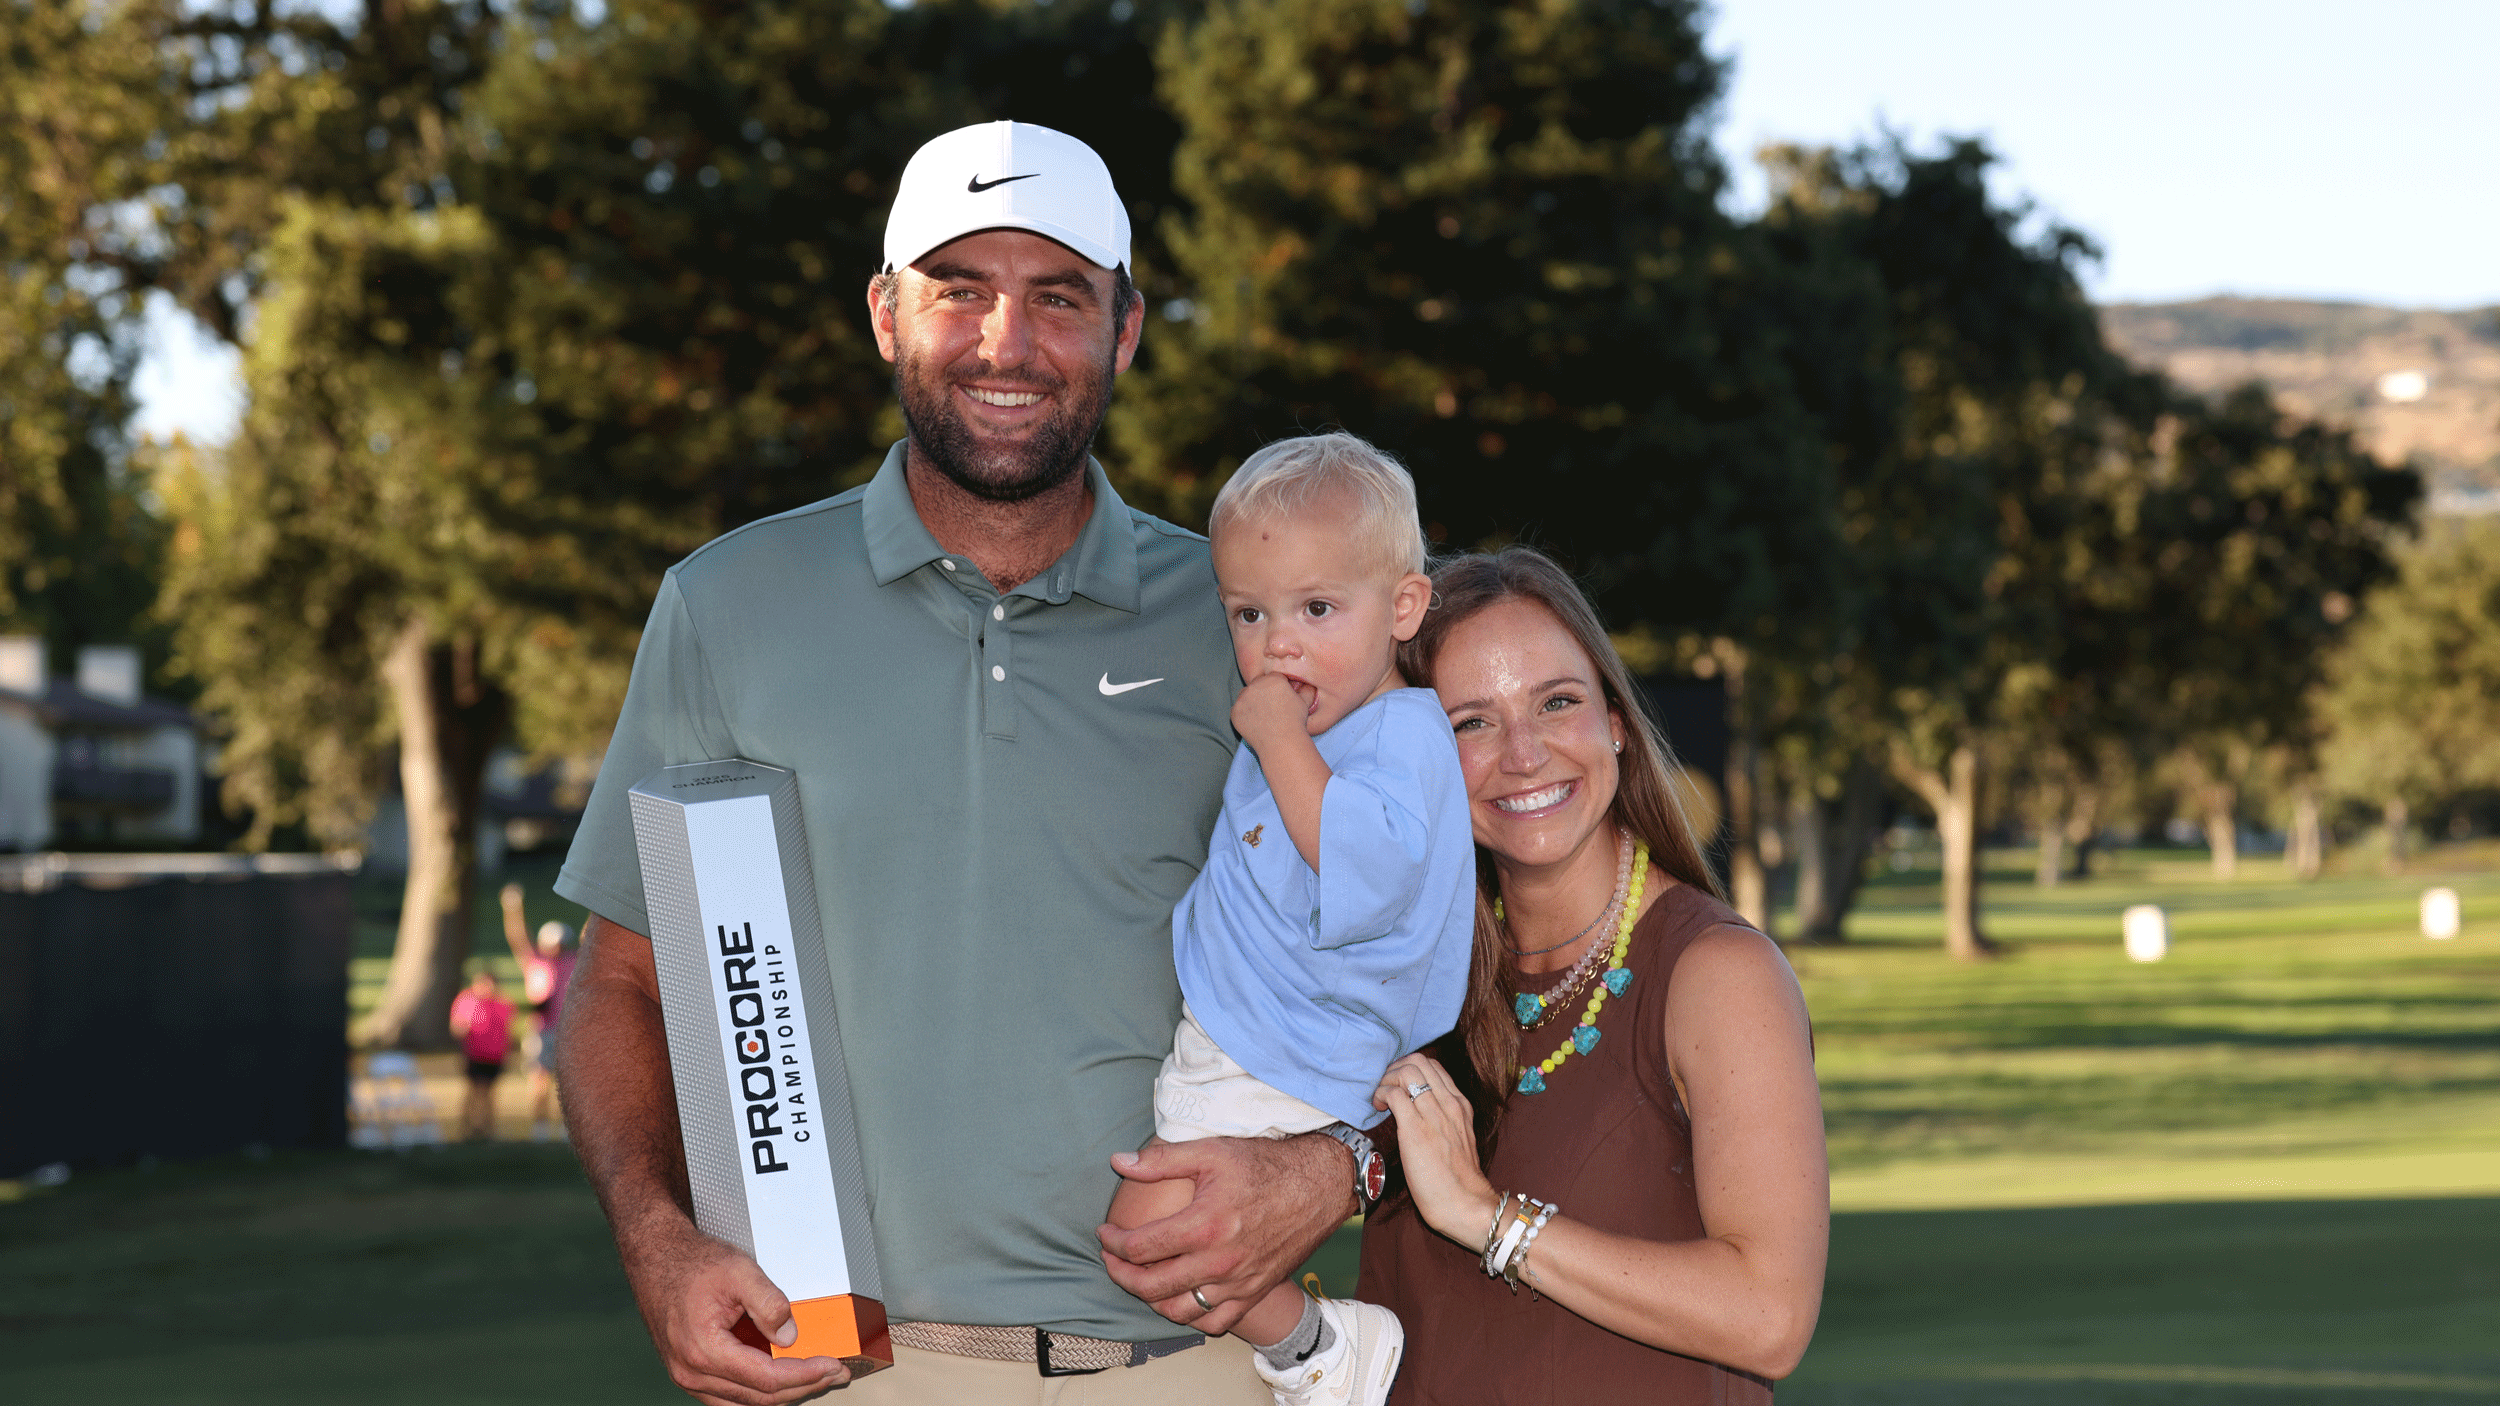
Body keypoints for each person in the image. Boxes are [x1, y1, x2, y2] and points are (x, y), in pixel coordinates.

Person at [552, 121, 1362, 1406]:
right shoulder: (729, 603)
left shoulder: (1247, 617)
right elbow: (622, 981)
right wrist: (659, 1242)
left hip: (1188, 1366)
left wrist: (1334, 1166)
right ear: (885, 313)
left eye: (1058, 298)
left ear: (1127, 330)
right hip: (837, 1366)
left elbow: (1420, 934)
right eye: (960, 292)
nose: (1008, 344)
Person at [1356, 547, 1829, 1404]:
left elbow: (1772, 1315)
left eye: (1557, 703)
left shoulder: (1716, 972)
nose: (1526, 753)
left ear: (1614, 720)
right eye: (1472, 723)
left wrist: (1485, 1217)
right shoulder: (1414, 978)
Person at [1105, 433, 1473, 1406]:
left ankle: (1321, 1349)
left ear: (1401, 607)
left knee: (1152, 1240)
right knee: (1156, 1238)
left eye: (1317, 607)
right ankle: (1313, 1346)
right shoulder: (1332, 722)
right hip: (1249, 1028)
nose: (1279, 641)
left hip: (1286, 1048)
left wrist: (1272, 735)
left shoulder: (1397, 736)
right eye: (1249, 612)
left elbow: (1359, 860)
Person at [500, 882, 579, 1141]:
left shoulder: (574, 961)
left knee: (570, 1085)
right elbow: (518, 936)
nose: (555, 947)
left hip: (570, 1029)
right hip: (541, 1028)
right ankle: (540, 1128)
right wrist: (512, 908)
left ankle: (572, 1130)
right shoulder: (535, 961)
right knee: (539, 1080)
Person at [447, 965, 516, 1142]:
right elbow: (457, 1026)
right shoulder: (466, 1000)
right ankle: (467, 1127)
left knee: (489, 1093)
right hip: (474, 1054)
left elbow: (508, 1031)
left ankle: (487, 1129)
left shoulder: (504, 1004)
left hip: (494, 1055)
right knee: (473, 1091)